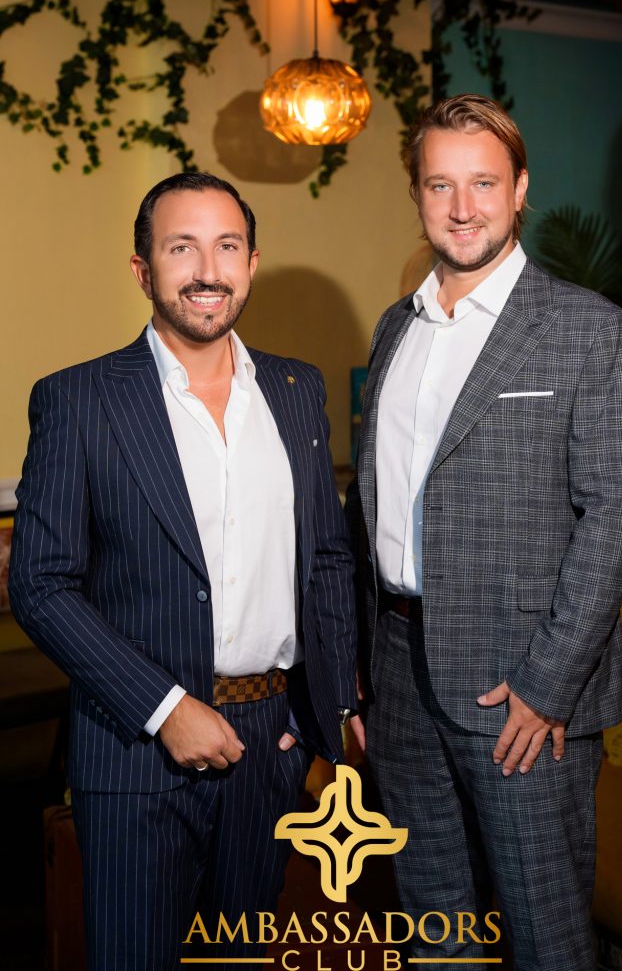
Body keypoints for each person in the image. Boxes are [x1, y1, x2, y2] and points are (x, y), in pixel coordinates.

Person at [9, 172, 359, 970]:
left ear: (252, 262)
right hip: (135, 752)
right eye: (182, 248)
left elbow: (327, 556)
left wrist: (332, 704)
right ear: (143, 270)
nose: (208, 270)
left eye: (227, 246)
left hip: (270, 747)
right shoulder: (78, 400)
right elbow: (41, 585)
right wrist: (165, 710)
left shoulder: (297, 391)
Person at [345, 94, 622, 971]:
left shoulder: (590, 331)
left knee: (546, 939)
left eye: (483, 183)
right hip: (398, 675)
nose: (462, 207)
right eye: (440, 184)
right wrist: (359, 671)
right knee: (434, 930)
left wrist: (547, 687)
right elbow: (377, 504)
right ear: (416, 193)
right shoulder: (396, 328)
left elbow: (612, 517)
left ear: (519, 190)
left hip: (521, 692)